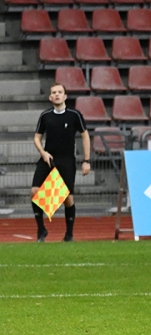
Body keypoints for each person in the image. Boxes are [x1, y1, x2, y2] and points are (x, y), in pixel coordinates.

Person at [31, 84, 90, 242]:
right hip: (48, 158)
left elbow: (85, 135)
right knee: (35, 191)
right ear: (50, 97)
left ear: (65, 96)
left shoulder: (74, 115)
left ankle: (69, 234)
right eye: (54, 93)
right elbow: (37, 137)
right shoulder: (45, 116)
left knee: (68, 198)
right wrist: (43, 153)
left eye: (60, 92)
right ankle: (41, 230)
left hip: (67, 160)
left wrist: (86, 160)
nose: (57, 95)